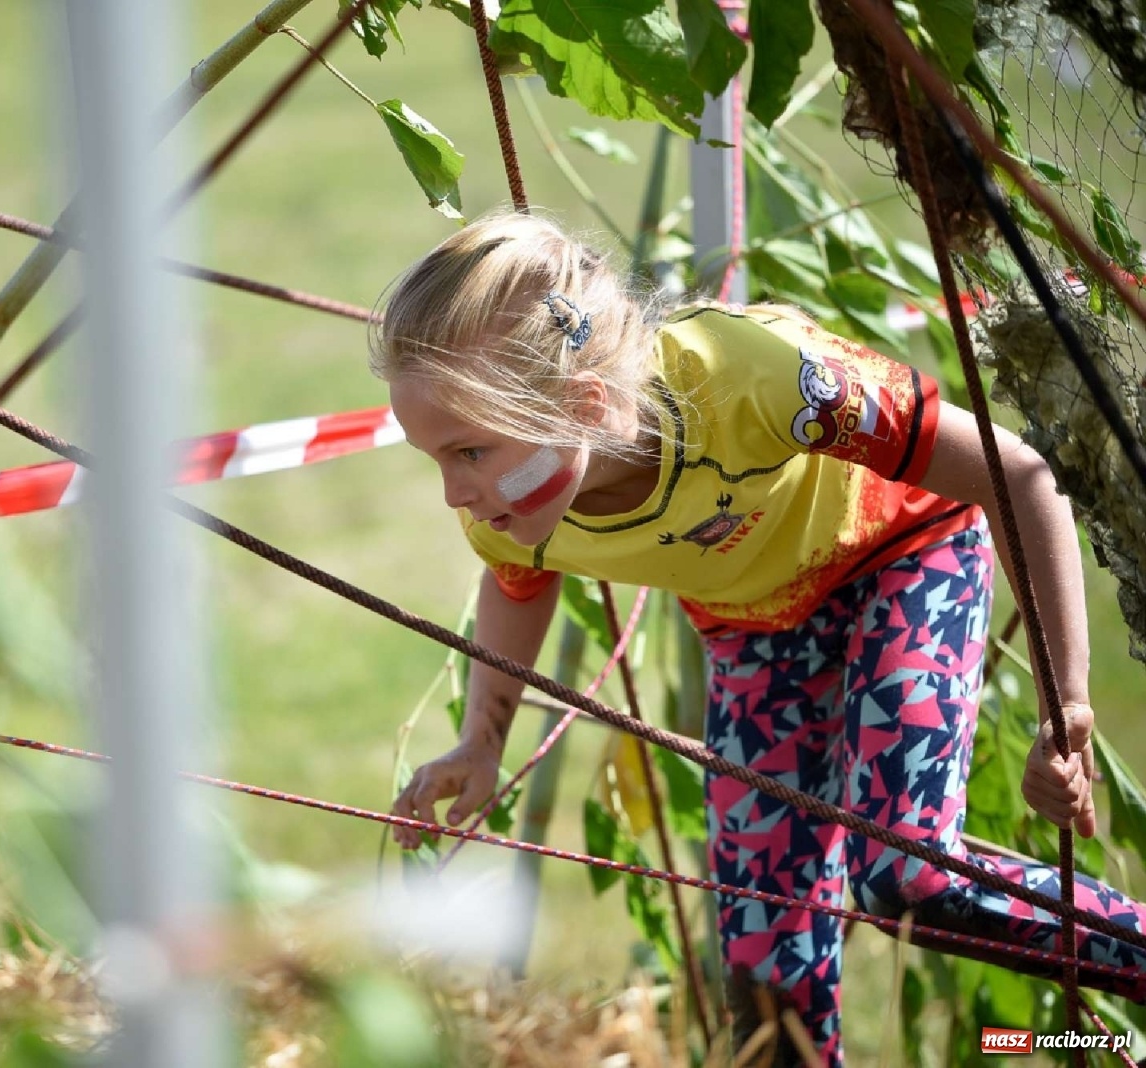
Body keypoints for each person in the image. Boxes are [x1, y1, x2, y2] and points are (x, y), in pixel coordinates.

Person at [374, 210, 1146, 1065]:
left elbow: (1017, 477)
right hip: (757, 631)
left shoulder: (754, 378)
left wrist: (1064, 699)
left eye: (469, 451)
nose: (453, 494)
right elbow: (518, 584)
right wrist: (481, 743)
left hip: (898, 555)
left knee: (908, 876)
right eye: (434, 458)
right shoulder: (513, 510)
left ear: (585, 404)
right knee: (766, 986)